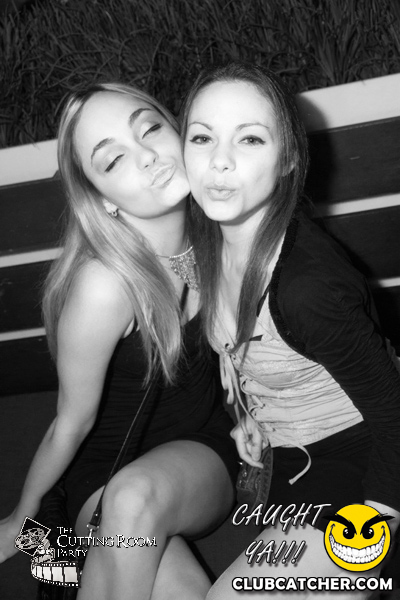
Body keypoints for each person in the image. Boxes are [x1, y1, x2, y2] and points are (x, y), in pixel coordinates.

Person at [0, 82, 239, 600]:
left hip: (203, 456)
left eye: (150, 129)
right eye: (113, 160)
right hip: (107, 472)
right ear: (102, 199)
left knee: (134, 497)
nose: (148, 156)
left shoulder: (224, 228)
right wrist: (22, 518)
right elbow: (70, 422)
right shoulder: (106, 284)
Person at [180, 62, 400, 598]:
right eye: (202, 137)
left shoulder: (306, 287)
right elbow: (239, 351)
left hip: (362, 458)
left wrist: (374, 531)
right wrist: (245, 416)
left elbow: (394, 414)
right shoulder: (209, 242)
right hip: (292, 460)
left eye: (250, 138)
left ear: (288, 159)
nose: (219, 160)